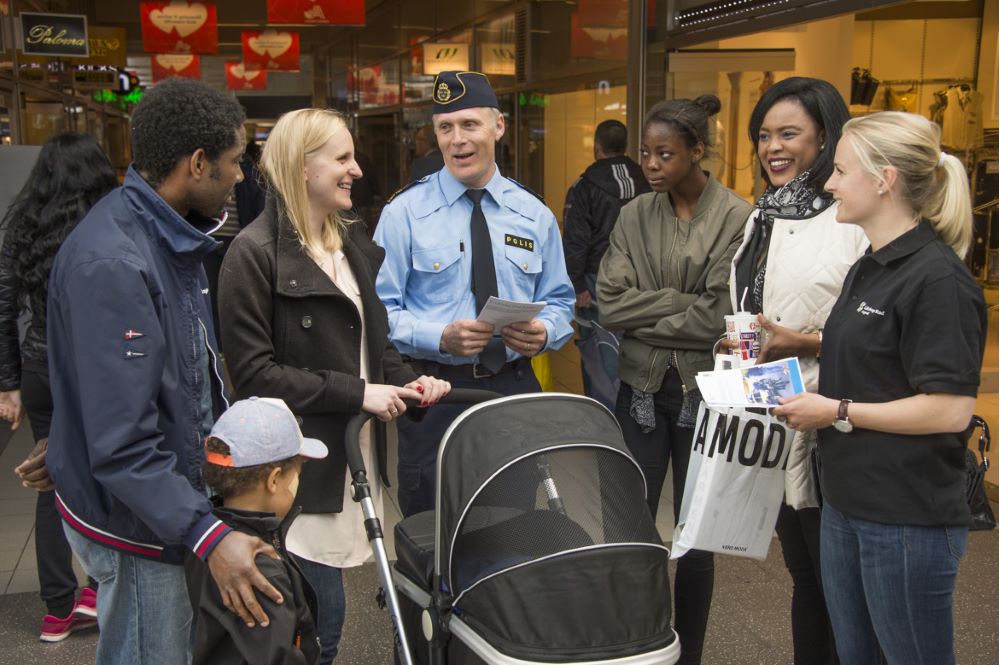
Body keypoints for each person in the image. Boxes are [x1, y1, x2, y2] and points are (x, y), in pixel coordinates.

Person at [45, 78, 282, 665]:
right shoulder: (116, 262)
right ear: (197, 163)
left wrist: (70, 440)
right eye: (233, 162)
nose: (240, 178)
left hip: (150, 507)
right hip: (134, 526)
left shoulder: (161, 237)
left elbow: (152, 385)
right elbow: (123, 445)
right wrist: (208, 535)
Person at [218, 107, 450, 664]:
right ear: (302, 167)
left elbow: (376, 343)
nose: (357, 171)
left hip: (350, 461)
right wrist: (357, 392)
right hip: (294, 473)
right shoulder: (252, 255)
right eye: (342, 158)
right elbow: (253, 374)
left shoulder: (351, 243)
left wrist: (404, 381)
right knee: (319, 628)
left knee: (323, 624)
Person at [774, 112, 986, 665]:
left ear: (884, 179)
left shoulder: (938, 279)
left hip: (906, 517)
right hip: (846, 502)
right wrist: (796, 342)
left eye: (841, 170)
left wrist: (835, 410)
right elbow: (877, 348)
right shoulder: (869, 264)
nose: (829, 183)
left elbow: (949, 409)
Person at [374, 70, 576, 518]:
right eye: (446, 127)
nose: (457, 140)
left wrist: (544, 333)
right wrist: (438, 336)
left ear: (498, 126)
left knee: (510, 522)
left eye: (470, 125)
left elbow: (562, 301)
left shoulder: (533, 214)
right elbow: (378, 314)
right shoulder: (404, 213)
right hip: (434, 393)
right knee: (431, 529)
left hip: (511, 391)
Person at [596, 95, 752, 665]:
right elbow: (610, 305)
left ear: (697, 151)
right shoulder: (634, 212)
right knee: (631, 529)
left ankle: (691, 655)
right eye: (645, 153)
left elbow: (721, 315)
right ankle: (639, 645)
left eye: (665, 153)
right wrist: (680, 306)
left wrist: (652, 314)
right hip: (637, 389)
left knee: (696, 538)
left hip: (705, 396)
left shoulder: (738, 217)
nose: (652, 165)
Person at [730, 77, 868, 665]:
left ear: (825, 137)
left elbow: (876, 333)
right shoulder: (761, 215)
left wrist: (800, 340)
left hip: (834, 425)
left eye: (789, 133)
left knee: (844, 591)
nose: (772, 147)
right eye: (763, 135)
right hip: (775, 416)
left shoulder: (854, 220)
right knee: (806, 580)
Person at [0, 133, 115, 641]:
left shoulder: (24, 226)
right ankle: (97, 589)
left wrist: (8, 384)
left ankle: (56, 609)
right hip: (94, 368)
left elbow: (4, 308)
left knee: (51, 484)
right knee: (105, 475)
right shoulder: (107, 223)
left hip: (40, 367)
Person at [189, 397, 327, 665]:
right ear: (274, 480)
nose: (298, 483)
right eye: (296, 474)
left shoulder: (208, 542)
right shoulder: (259, 570)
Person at [562, 119, 649, 400]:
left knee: (600, 355)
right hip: (643, 283)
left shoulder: (585, 186)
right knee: (639, 351)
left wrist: (577, 285)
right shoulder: (647, 178)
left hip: (597, 283)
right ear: (625, 146)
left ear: (597, 148)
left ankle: (605, 418)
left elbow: (576, 239)